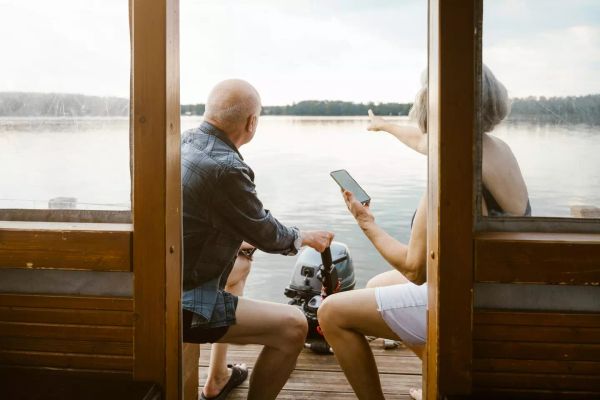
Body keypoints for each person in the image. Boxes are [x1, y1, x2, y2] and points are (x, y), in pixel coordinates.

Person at [317, 65, 529, 400]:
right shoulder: (494, 149)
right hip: (495, 288)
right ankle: (439, 379)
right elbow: (423, 140)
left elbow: (414, 269)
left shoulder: (449, 170)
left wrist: (366, 222)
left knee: (331, 313)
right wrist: (384, 126)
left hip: (464, 304)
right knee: (376, 285)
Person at [181, 79, 334, 400]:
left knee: (239, 267)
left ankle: (218, 377)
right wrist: (305, 237)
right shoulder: (227, 168)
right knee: (293, 326)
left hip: (163, 280)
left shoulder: (183, 142)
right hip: (184, 304)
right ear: (251, 123)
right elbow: (268, 234)